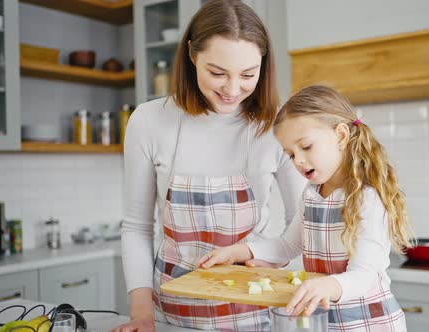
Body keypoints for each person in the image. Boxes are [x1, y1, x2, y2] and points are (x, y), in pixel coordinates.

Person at [113, 1, 306, 331]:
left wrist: (272, 267)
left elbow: (301, 224)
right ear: (191, 54)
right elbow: (136, 227)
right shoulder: (148, 121)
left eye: (248, 75)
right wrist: (141, 315)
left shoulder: (279, 123)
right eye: (217, 73)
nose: (232, 90)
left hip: (252, 311)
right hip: (170, 313)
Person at [198, 85, 413, 331]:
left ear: (341, 136)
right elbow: (288, 245)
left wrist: (325, 286)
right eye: (290, 154)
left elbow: (365, 275)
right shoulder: (312, 194)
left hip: (368, 322)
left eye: (306, 147)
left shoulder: (367, 198)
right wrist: (240, 251)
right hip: (324, 319)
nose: (298, 160)